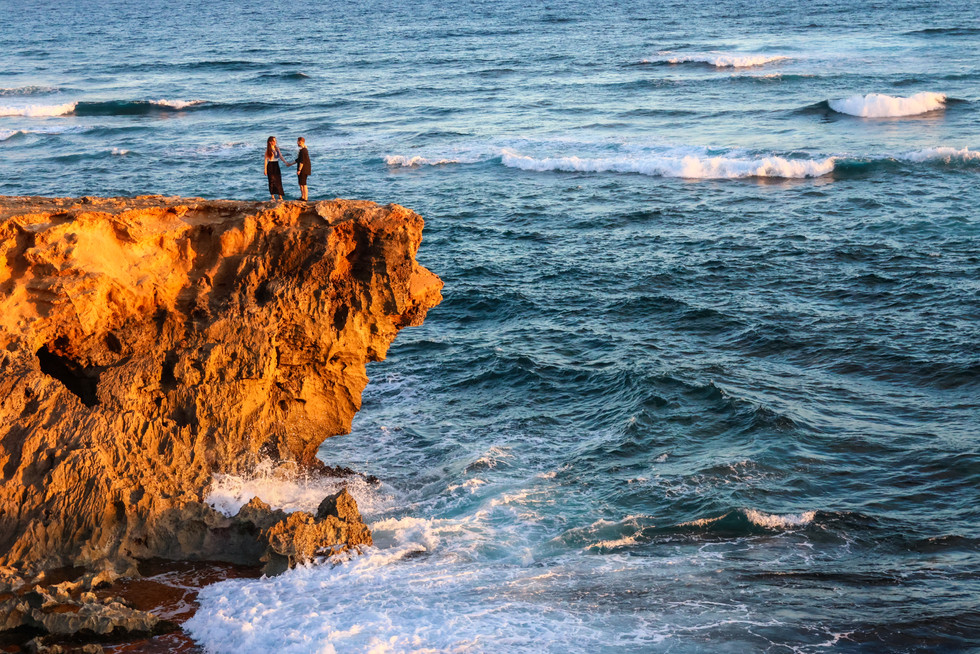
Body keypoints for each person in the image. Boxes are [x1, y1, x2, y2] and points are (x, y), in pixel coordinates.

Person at [264, 136, 287, 201]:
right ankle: (272, 197)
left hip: (276, 165)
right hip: (270, 165)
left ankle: (280, 196)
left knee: (278, 180)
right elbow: (266, 160)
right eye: (273, 141)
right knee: (271, 181)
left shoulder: (277, 149)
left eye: (275, 141)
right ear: (270, 142)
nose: (275, 142)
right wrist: (265, 169)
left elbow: (281, 156)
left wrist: (285, 162)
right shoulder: (268, 150)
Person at [294, 137, 311, 201]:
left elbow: (302, 161)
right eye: (297, 141)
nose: (297, 143)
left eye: (298, 142)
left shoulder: (303, 150)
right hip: (303, 168)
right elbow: (299, 159)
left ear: (301, 142)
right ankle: (303, 196)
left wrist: (299, 170)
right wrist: (290, 164)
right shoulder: (302, 150)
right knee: (300, 183)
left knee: (304, 184)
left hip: (304, 169)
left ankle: (305, 198)